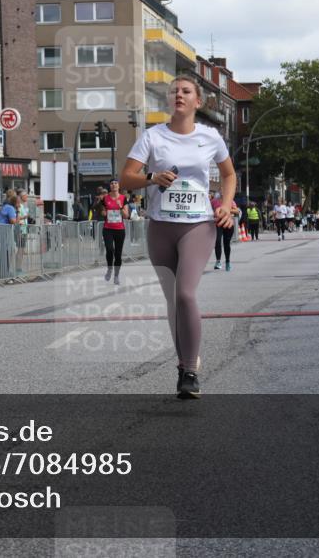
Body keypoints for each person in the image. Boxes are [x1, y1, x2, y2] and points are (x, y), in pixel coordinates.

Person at [121, 74, 236, 399]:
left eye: (186, 91)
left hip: (198, 224)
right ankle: (184, 362)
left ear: (197, 101)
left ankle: (190, 370)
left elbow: (228, 175)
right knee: (173, 301)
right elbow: (126, 178)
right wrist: (151, 177)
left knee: (186, 294)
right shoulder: (152, 137)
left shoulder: (210, 137)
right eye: (174, 92)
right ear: (168, 101)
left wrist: (226, 206)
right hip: (160, 226)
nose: (179, 95)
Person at [101, 179, 129, 284]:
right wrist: (103, 212)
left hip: (119, 229)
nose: (114, 185)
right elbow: (102, 211)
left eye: (116, 183)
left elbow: (126, 215)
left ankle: (116, 276)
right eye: (112, 183)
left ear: (119, 186)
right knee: (109, 249)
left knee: (118, 254)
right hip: (108, 228)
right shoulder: (105, 198)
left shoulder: (123, 198)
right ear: (110, 186)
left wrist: (120, 206)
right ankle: (109, 269)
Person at [211, 193, 239, 271]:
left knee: (226, 243)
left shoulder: (230, 201)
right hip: (218, 223)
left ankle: (227, 262)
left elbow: (237, 211)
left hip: (228, 223)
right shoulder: (214, 201)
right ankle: (218, 262)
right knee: (217, 241)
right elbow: (208, 211)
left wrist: (227, 209)